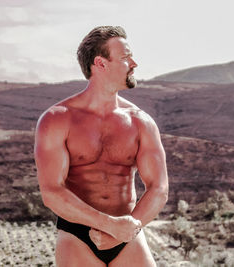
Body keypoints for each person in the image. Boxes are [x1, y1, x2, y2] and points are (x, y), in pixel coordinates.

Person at [34, 26, 169, 267]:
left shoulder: (141, 121)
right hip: (78, 237)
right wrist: (109, 226)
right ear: (101, 63)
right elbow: (51, 191)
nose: (134, 63)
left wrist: (126, 229)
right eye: (126, 57)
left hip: (128, 233)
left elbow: (159, 188)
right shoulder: (57, 119)